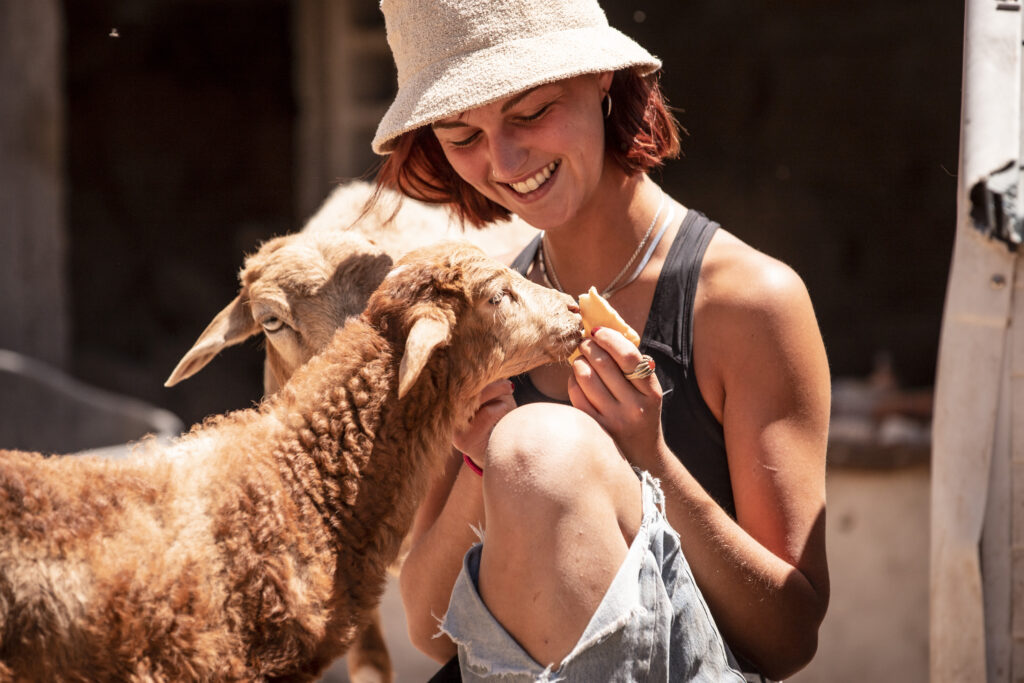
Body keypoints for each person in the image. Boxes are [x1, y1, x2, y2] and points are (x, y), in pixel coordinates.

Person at [370, 0, 831, 680]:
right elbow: (432, 633)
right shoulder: (477, 317)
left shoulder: (748, 303)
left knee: (542, 447)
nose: (504, 160)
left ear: (602, 78)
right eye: (462, 136)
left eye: (531, 113)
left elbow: (789, 638)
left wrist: (651, 461)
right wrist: (479, 465)